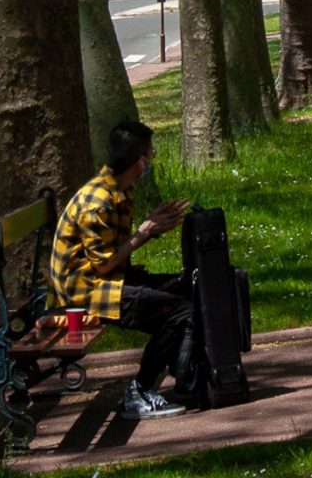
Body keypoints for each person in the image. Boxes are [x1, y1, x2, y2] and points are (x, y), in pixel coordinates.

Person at [51, 120, 193, 420]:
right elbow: (102, 265)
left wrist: (148, 230)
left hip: (106, 280)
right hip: (85, 295)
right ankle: (140, 392)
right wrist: (144, 233)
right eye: (150, 154)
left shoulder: (118, 190)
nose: (151, 159)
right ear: (140, 162)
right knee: (181, 312)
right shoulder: (98, 203)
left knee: (187, 288)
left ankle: (189, 373)